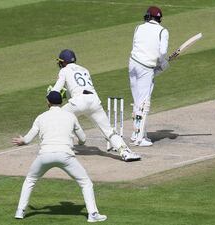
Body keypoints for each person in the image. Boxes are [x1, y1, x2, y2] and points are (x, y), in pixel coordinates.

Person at [12, 91, 107, 223]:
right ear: (62, 102)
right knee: (85, 183)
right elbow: (83, 139)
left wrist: (22, 141)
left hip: (44, 156)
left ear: (48, 102)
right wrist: (79, 143)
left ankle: (20, 211)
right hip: (65, 156)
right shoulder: (70, 116)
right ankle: (93, 214)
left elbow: (27, 139)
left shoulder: (41, 117)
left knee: (30, 180)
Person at [51, 49, 141, 162]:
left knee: (57, 116)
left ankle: (63, 148)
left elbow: (56, 90)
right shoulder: (85, 69)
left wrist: (51, 98)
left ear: (63, 62)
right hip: (94, 101)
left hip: (78, 101)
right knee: (108, 130)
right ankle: (125, 152)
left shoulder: (64, 71)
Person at [129, 6, 169, 146]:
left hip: (133, 64)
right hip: (146, 68)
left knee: (137, 100)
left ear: (147, 16)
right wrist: (162, 63)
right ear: (159, 18)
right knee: (144, 103)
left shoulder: (138, 28)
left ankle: (136, 133)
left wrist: (157, 65)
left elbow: (138, 45)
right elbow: (162, 52)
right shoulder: (163, 31)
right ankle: (140, 138)